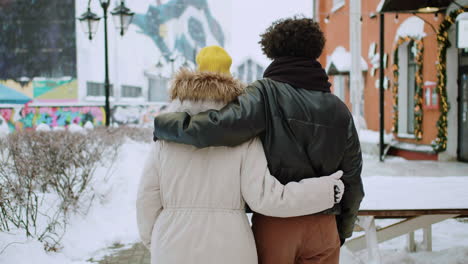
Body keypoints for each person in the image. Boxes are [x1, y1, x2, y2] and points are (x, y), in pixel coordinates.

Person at [152, 18, 364, 264]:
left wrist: (168, 124)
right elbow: (353, 178)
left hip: (277, 224)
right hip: (324, 226)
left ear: (273, 50)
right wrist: (341, 231)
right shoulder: (339, 109)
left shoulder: (266, 93)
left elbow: (219, 127)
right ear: (315, 50)